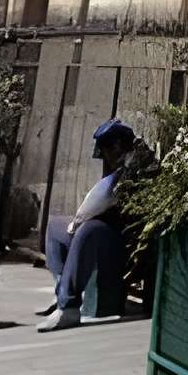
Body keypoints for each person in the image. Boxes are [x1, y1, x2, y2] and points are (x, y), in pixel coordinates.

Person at [36, 117, 154, 330]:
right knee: (55, 227)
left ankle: (69, 307)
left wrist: (82, 221)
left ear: (118, 145)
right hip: (104, 227)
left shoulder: (139, 166)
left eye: (108, 149)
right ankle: (63, 290)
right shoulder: (117, 168)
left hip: (122, 237)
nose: (105, 156)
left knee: (87, 231)